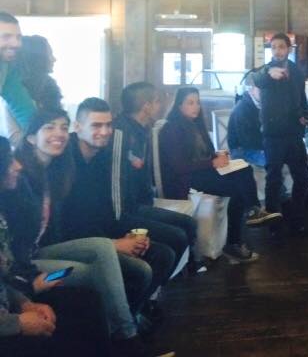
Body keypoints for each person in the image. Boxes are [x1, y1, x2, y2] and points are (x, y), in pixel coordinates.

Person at [11, 112, 161, 353]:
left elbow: (74, 222)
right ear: (30, 138)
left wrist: (116, 242)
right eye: (49, 127)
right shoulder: (17, 178)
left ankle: (123, 331)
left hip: (47, 251)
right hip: (28, 267)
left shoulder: (58, 171)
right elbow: (12, 246)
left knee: (139, 269)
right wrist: (26, 285)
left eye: (63, 127)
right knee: (92, 272)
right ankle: (127, 339)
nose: (59, 133)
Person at [0, 135, 113, 357]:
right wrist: (20, 315)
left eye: (63, 127)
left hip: (22, 282)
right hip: (26, 280)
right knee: (86, 274)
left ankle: (127, 335)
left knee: (89, 294)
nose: (17, 165)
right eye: (8, 160)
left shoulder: (56, 177)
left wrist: (23, 302)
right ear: (32, 138)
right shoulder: (24, 185)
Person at [74, 97, 196, 280]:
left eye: (108, 125)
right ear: (77, 127)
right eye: (96, 126)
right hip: (82, 235)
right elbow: (75, 218)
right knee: (159, 256)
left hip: (111, 219)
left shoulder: (100, 155)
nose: (105, 132)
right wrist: (114, 242)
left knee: (174, 240)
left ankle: (148, 295)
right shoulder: (69, 161)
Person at [159, 87, 279, 264]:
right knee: (237, 190)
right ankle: (234, 242)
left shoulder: (196, 125)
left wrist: (218, 157)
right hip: (186, 178)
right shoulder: (171, 129)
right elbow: (179, 166)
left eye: (197, 102)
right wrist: (212, 163)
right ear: (179, 106)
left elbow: (205, 154)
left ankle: (253, 210)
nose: (196, 107)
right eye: (190, 103)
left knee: (244, 169)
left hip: (202, 172)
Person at [253, 33, 308, 237]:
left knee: (302, 178)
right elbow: (255, 79)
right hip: (273, 134)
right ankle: (274, 226)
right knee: (274, 180)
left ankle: (298, 222)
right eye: (274, 47)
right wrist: (269, 73)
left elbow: (301, 98)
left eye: (281, 46)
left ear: (289, 49)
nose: (277, 50)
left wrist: (305, 115)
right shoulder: (265, 70)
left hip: (294, 132)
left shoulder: (296, 71)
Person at [0, 12, 36, 142]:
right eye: (6, 37)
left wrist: (39, 134)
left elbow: (24, 108)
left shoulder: (6, 68)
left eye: (18, 37)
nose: (16, 44)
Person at [16, 36, 62, 113]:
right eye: (50, 54)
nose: (54, 59)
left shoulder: (50, 88)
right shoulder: (16, 92)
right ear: (38, 58)